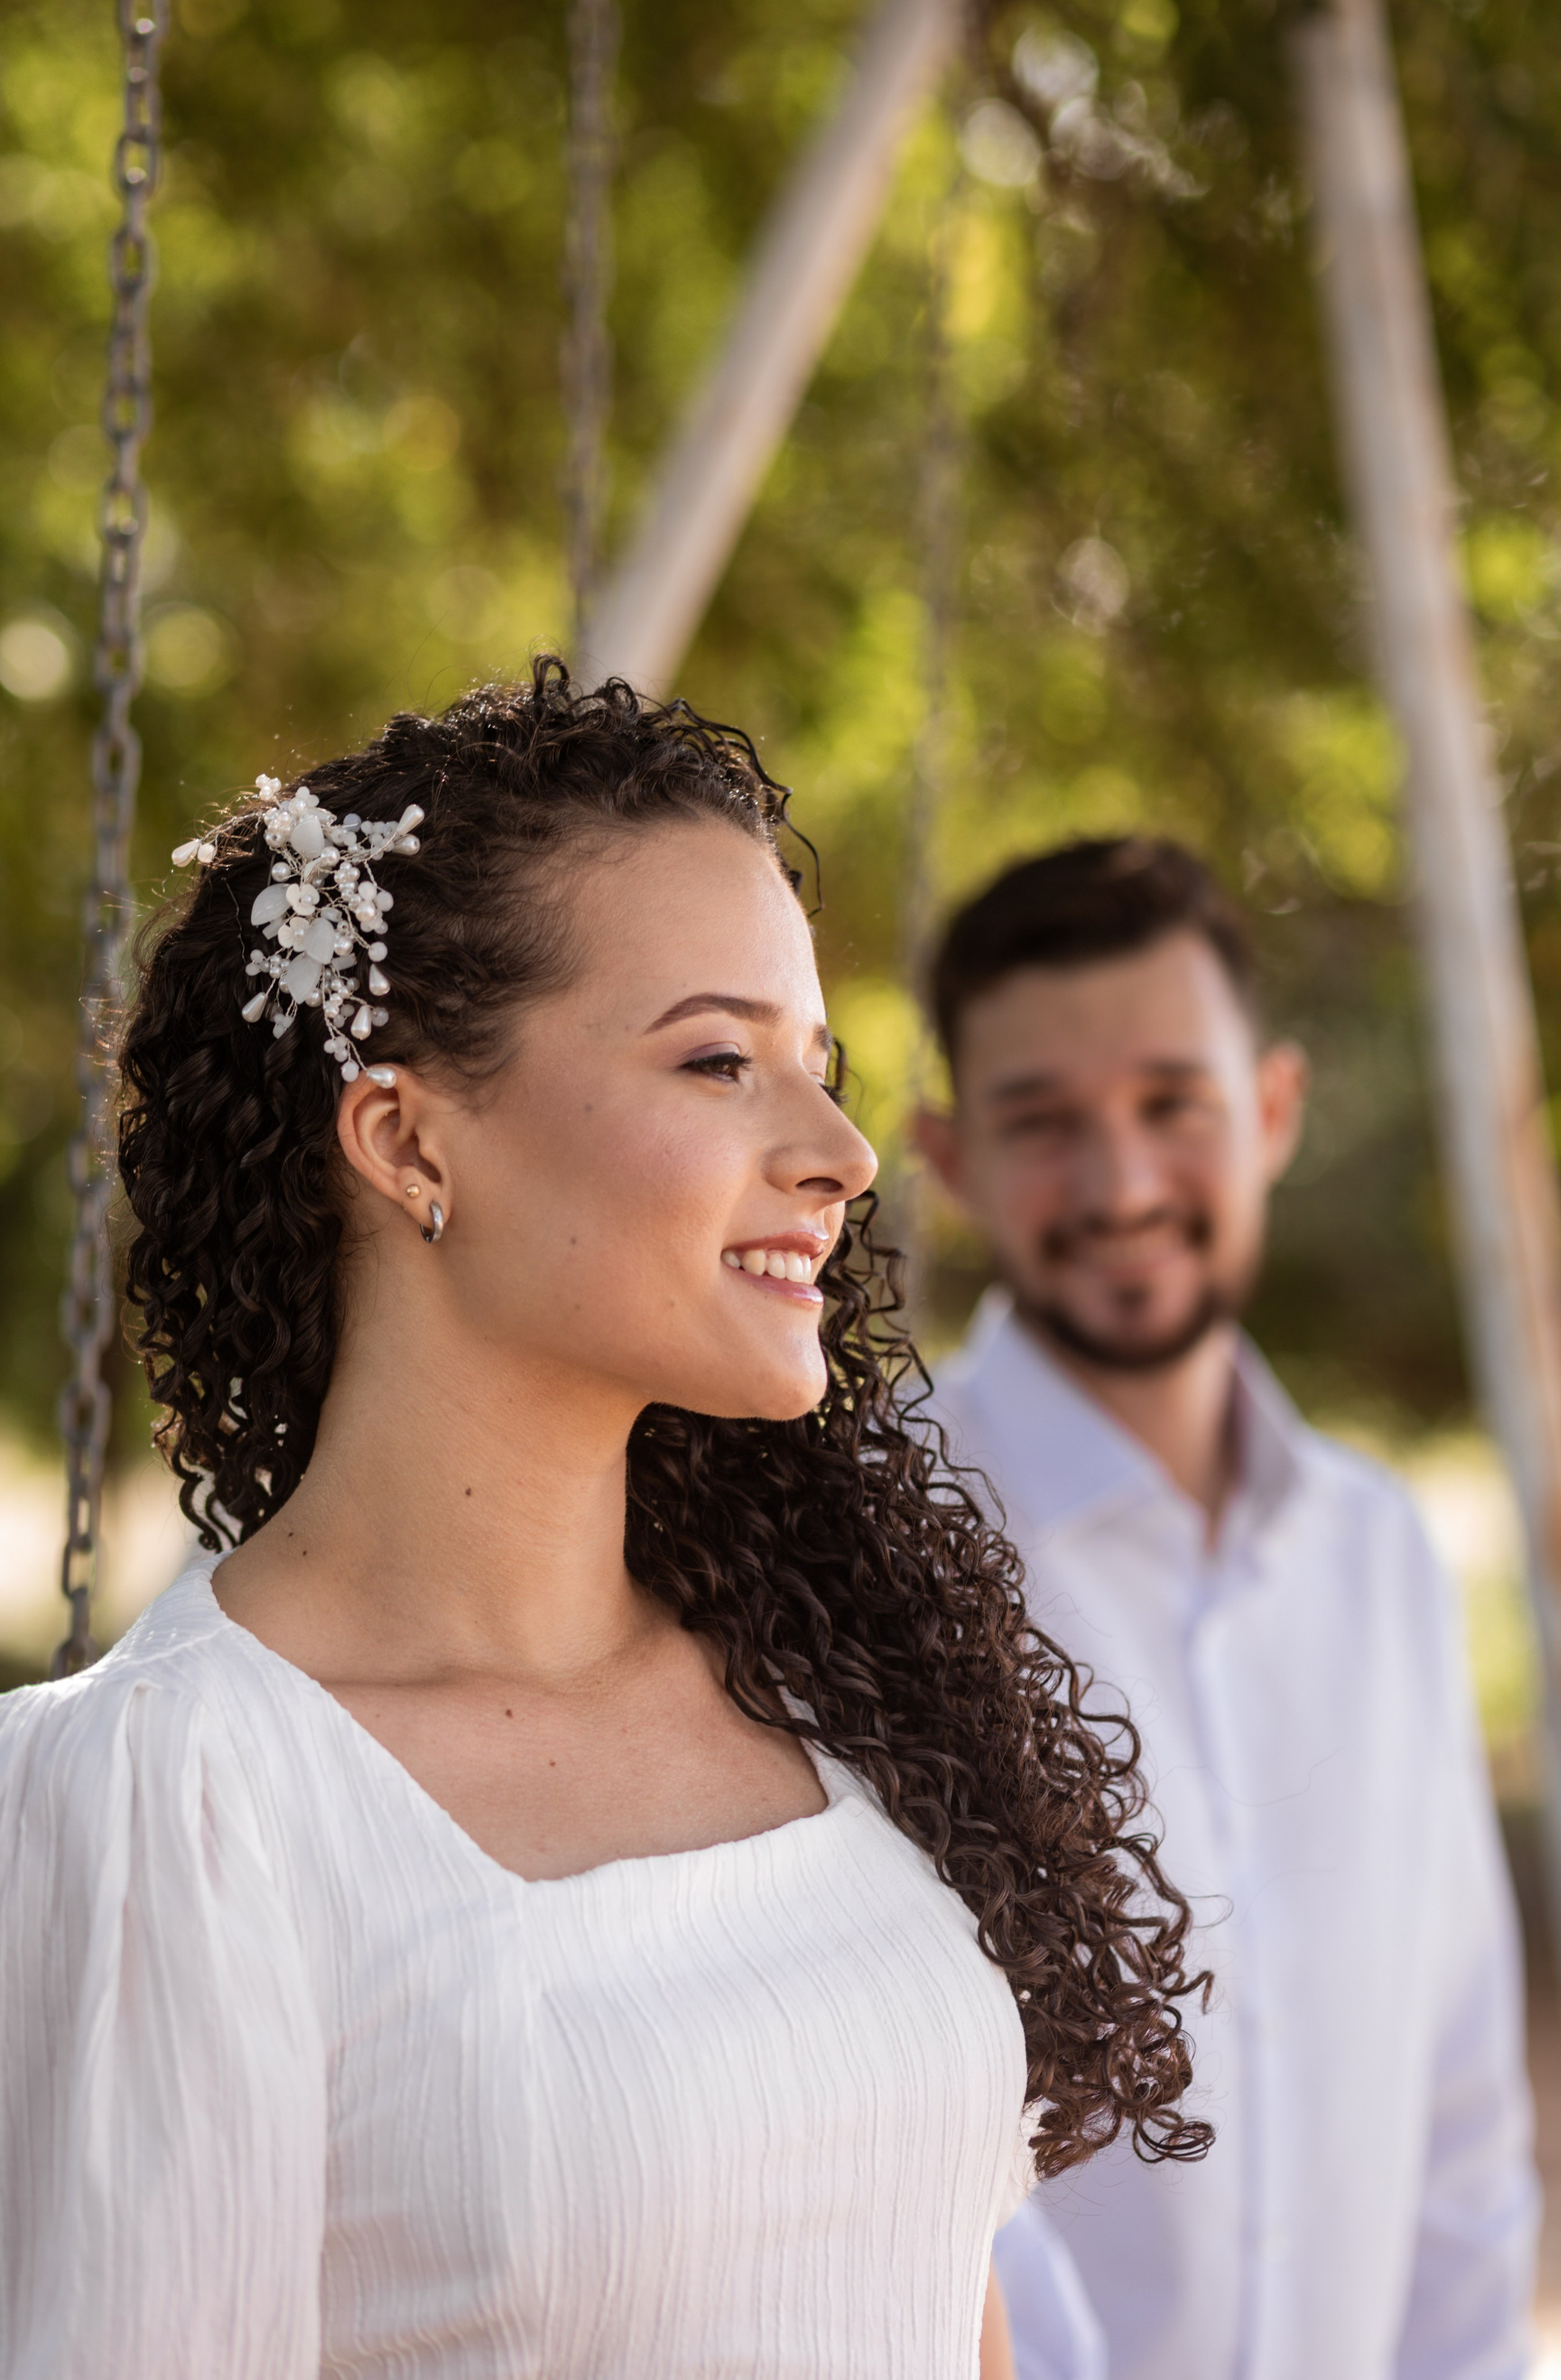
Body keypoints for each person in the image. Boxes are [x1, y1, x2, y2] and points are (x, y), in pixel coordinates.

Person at [0, 672, 1212, 2380]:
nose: (845, 1153)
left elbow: (949, 2308)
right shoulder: (179, 1801)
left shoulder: (821, 1684)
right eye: (720, 1060)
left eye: (821, 1067)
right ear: (408, 1138)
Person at [917, 837, 1539, 2380]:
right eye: (1041, 1122)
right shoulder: (875, 1535)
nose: (1120, 1184)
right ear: (947, 1162)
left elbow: (1454, 2103)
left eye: (1168, 1106)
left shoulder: (1380, 1551)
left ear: (1268, 1111)